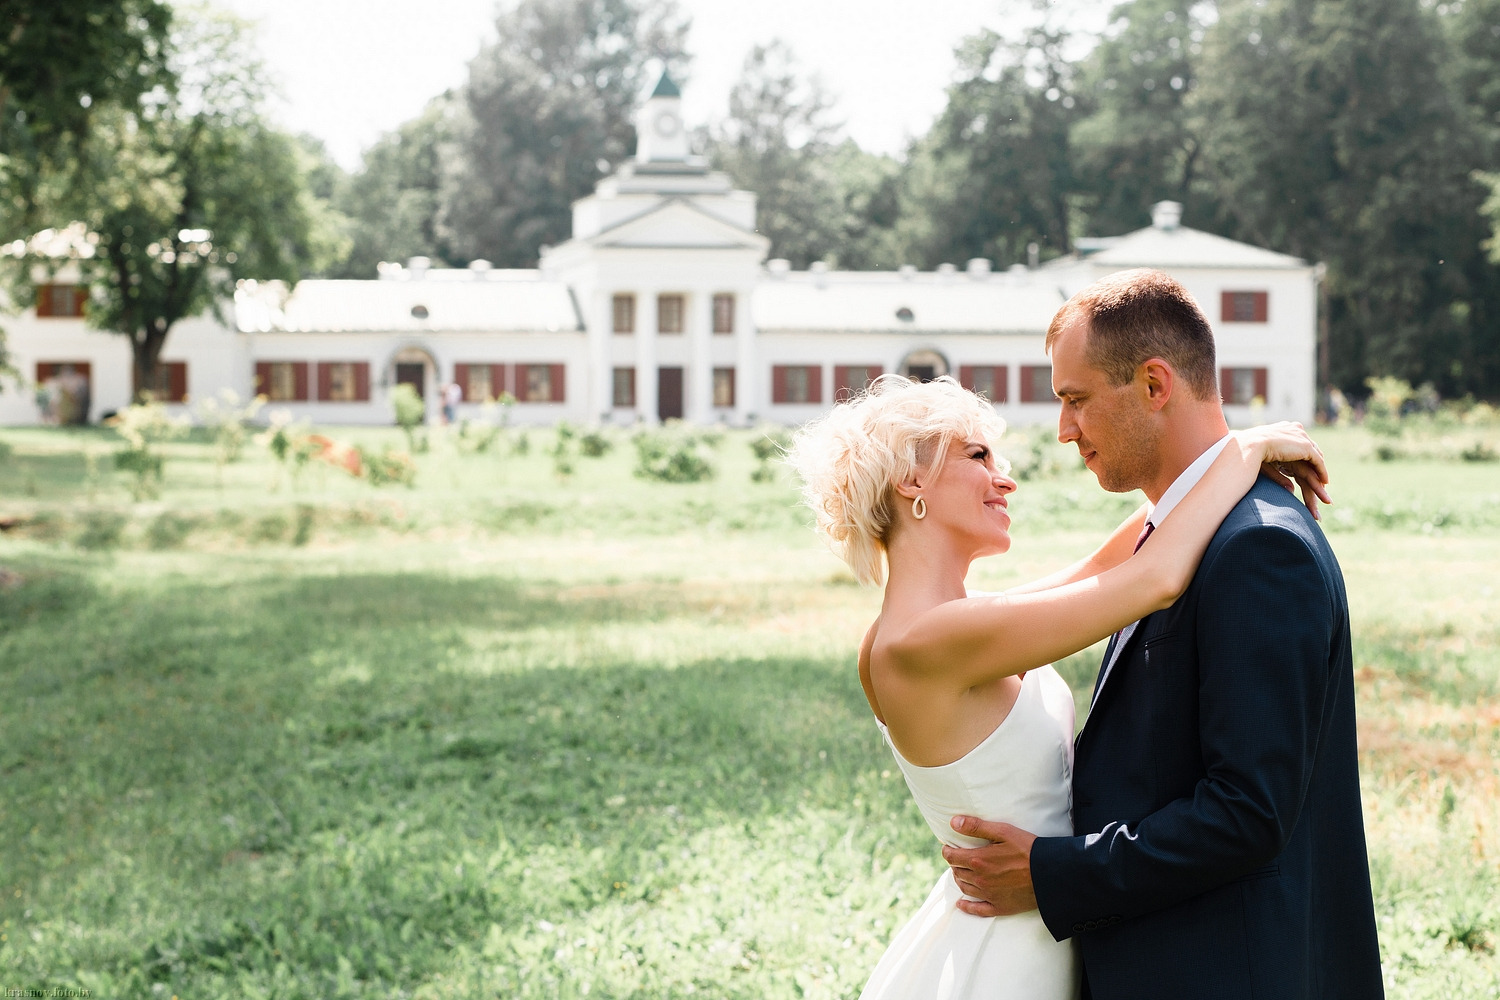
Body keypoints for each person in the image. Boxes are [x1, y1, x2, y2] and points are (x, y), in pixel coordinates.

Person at [790, 364, 1331, 1000]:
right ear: (913, 481)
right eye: (978, 455)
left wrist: (1215, 457)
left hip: (1056, 922)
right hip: (1011, 957)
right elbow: (1150, 579)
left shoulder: (951, 626)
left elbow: (1107, 563)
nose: (1005, 477)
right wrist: (1244, 449)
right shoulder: (923, 643)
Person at [941, 269, 1383, 999]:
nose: (1064, 430)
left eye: (1076, 400)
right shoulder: (1184, 532)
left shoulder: (1257, 548)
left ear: (1154, 385)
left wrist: (1055, 872)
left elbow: (1247, 812)